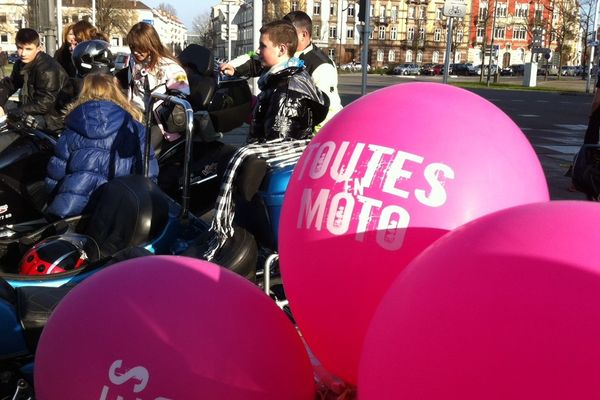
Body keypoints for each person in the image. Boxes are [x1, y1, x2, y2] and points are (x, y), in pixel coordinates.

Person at [45, 73, 158, 219]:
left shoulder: (72, 127)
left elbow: (55, 175)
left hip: (74, 207)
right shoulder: (134, 128)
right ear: (116, 93)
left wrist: (54, 198)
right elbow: (148, 173)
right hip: (120, 207)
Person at [221, 11, 341, 130]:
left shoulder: (321, 66)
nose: (282, 36)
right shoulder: (284, 55)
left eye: (289, 33)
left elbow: (327, 112)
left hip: (304, 139)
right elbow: (256, 61)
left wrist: (313, 145)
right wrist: (233, 68)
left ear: (304, 35)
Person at [119, 22, 189, 148]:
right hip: (135, 115)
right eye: (132, 47)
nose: (136, 52)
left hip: (157, 121)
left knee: (143, 150)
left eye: (140, 48)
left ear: (151, 44)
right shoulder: (132, 62)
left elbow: (182, 91)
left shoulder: (169, 67)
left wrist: (172, 96)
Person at [0, 28, 68, 148]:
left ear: (38, 48)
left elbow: (45, 104)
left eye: (28, 49)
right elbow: (10, 84)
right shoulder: (20, 64)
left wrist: (12, 113)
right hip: (31, 107)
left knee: (10, 134)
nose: (23, 53)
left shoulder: (48, 69)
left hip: (51, 118)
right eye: (20, 48)